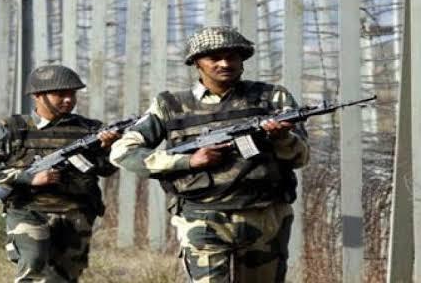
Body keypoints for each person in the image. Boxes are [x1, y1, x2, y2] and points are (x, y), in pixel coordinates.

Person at [109, 26, 311, 282]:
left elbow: (301, 158)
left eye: (233, 57)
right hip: (200, 218)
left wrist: (282, 137)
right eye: (214, 58)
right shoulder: (170, 105)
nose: (225, 63)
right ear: (196, 63)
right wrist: (188, 161)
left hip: (264, 215)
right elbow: (123, 152)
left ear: (243, 60)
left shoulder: (272, 98)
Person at [0, 64, 120, 283]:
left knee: (67, 276)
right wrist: (28, 177)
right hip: (29, 210)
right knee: (34, 266)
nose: (69, 99)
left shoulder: (91, 129)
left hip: (75, 212)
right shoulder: (13, 127)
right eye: (61, 94)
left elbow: (107, 170)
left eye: (72, 94)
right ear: (38, 96)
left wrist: (109, 148)